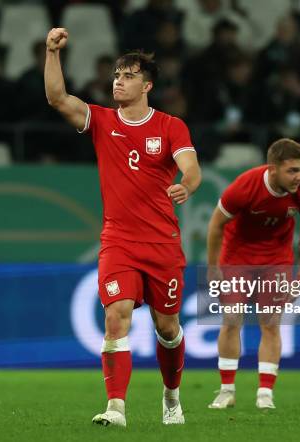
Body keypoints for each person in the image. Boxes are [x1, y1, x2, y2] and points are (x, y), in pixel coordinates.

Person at [44, 27, 201, 426]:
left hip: (162, 244)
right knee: (117, 316)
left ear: (147, 85)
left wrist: (186, 185)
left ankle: (171, 396)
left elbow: (191, 168)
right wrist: (51, 52)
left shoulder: (170, 126)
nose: (118, 80)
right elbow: (57, 98)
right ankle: (116, 408)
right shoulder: (100, 121)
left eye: (128, 75)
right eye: (116, 74)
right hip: (118, 242)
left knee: (168, 328)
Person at [206, 138, 300, 410]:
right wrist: (212, 268)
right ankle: (226, 390)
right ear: (272, 169)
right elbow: (215, 225)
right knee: (232, 319)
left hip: (277, 258)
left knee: (270, 323)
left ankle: (265, 393)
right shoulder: (245, 186)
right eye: (292, 170)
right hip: (238, 255)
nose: (299, 176)